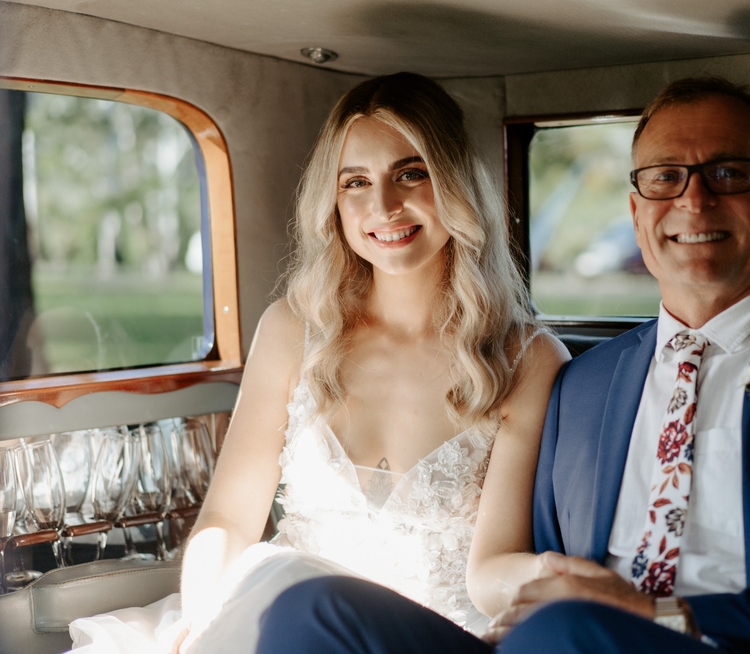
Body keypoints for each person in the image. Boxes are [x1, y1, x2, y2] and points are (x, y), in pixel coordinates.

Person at [259, 76, 750, 654]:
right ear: (636, 214)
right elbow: (533, 570)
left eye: (729, 173)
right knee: (310, 609)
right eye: (665, 178)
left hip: (709, 637)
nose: (694, 201)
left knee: (562, 632)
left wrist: (663, 614)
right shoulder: (583, 384)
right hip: (550, 640)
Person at [66, 71, 568, 654]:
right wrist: (202, 620)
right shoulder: (292, 330)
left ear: (455, 183)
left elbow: (493, 567)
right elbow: (229, 519)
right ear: (333, 200)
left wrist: (555, 578)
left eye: (411, 173)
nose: (383, 206)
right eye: (356, 182)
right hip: (270, 620)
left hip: (422, 638)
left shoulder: (525, 359)